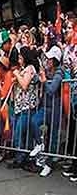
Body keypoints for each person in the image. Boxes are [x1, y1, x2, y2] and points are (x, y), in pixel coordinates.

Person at [37, 45, 64, 177]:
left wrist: (44, 81)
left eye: (49, 59)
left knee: (53, 136)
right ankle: (39, 148)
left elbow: (52, 89)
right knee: (34, 122)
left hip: (56, 108)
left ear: (54, 60)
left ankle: (49, 164)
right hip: (45, 107)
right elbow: (38, 80)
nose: (46, 60)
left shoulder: (59, 73)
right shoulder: (47, 71)